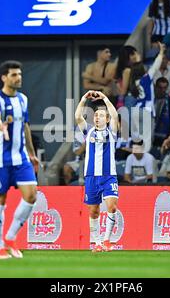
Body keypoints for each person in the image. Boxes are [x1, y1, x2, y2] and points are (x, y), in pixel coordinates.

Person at [0, 60, 40, 259]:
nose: (18, 78)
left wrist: (32, 153)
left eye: (19, 74)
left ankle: (10, 236)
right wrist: (2, 128)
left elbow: (25, 125)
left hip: (21, 157)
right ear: (4, 78)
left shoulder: (23, 99)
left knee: (32, 195)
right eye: (14, 75)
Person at [75, 90, 120, 252]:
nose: (97, 117)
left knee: (112, 206)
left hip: (109, 176)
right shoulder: (89, 132)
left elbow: (115, 116)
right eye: (96, 115)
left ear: (107, 119)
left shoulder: (112, 132)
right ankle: (97, 243)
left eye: (101, 115)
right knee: (93, 211)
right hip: (91, 176)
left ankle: (107, 240)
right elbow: (78, 117)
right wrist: (83, 100)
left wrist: (105, 99)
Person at [153, 77, 170, 149]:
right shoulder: (150, 99)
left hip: (163, 134)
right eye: (160, 87)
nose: (163, 90)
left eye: (165, 88)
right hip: (150, 131)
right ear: (156, 87)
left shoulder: (169, 101)